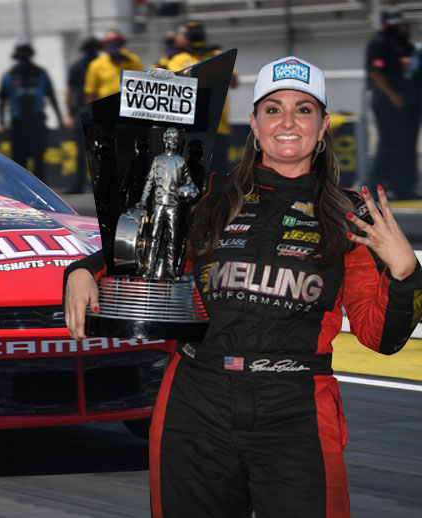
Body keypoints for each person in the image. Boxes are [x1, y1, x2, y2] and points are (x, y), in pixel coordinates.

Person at [63, 56, 421, 517]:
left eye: (303, 109)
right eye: (273, 109)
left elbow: (382, 338)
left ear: (324, 124)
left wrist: (405, 274)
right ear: (254, 122)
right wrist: (84, 269)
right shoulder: (208, 196)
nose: (287, 122)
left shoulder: (352, 215)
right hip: (196, 400)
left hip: (295, 408)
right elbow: (149, 253)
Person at [166, 21, 237, 174]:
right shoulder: (177, 60)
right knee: (194, 174)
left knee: (219, 174)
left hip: (219, 126)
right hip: (194, 127)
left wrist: (220, 61)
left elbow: (234, 81)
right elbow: (182, 83)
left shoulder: (217, 55)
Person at [366, 8, 418, 199]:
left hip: (406, 102)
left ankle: (403, 187)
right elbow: (375, 73)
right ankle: (376, 185)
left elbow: (410, 68)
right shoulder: (379, 43)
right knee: (389, 142)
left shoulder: (402, 44)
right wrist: (392, 94)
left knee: (405, 144)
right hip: (388, 101)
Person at [0, 41, 66, 183]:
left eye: (26, 54)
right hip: (18, 124)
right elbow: (2, 101)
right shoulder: (9, 75)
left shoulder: (41, 73)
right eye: (21, 55)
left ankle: (41, 191)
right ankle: (21, 192)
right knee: (19, 160)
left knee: (38, 159)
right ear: (16, 56)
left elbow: (51, 96)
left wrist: (59, 119)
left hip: (37, 123)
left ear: (31, 55)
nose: (24, 58)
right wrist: (1, 123)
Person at [135, 127, 197, 279]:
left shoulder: (181, 162)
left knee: (172, 238)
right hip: (158, 204)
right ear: (165, 140)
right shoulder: (158, 160)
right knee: (153, 236)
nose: (173, 142)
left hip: (174, 205)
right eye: (170, 139)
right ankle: (149, 268)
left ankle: (170, 269)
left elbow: (190, 183)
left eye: (175, 139)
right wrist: (143, 200)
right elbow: (149, 181)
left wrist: (187, 191)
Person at [64, 36, 99, 193]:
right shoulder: (78, 66)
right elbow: (69, 91)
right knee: (81, 149)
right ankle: (79, 183)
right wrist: (70, 115)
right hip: (82, 111)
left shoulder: (101, 65)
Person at [83, 29, 143, 104]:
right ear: (105, 46)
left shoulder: (133, 61)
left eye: (115, 43)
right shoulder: (96, 65)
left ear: (121, 44)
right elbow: (90, 93)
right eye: (109, 44)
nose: (113, 47)